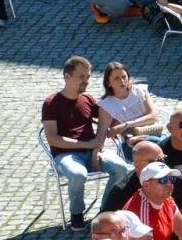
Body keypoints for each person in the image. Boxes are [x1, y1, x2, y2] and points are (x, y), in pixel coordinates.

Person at [42, 55, 132, 227]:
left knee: (122, 169)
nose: (86, 81)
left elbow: (109, 118)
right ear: (67, 77)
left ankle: (106, 211)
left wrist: (125, 129)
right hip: (65, 155)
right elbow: (53, 138)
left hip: (92, 151)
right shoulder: (51, 103)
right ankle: (76, 214)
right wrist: (87, 145)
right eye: (81, 77)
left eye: (88, 77)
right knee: (78, 174)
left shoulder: (88, 99)